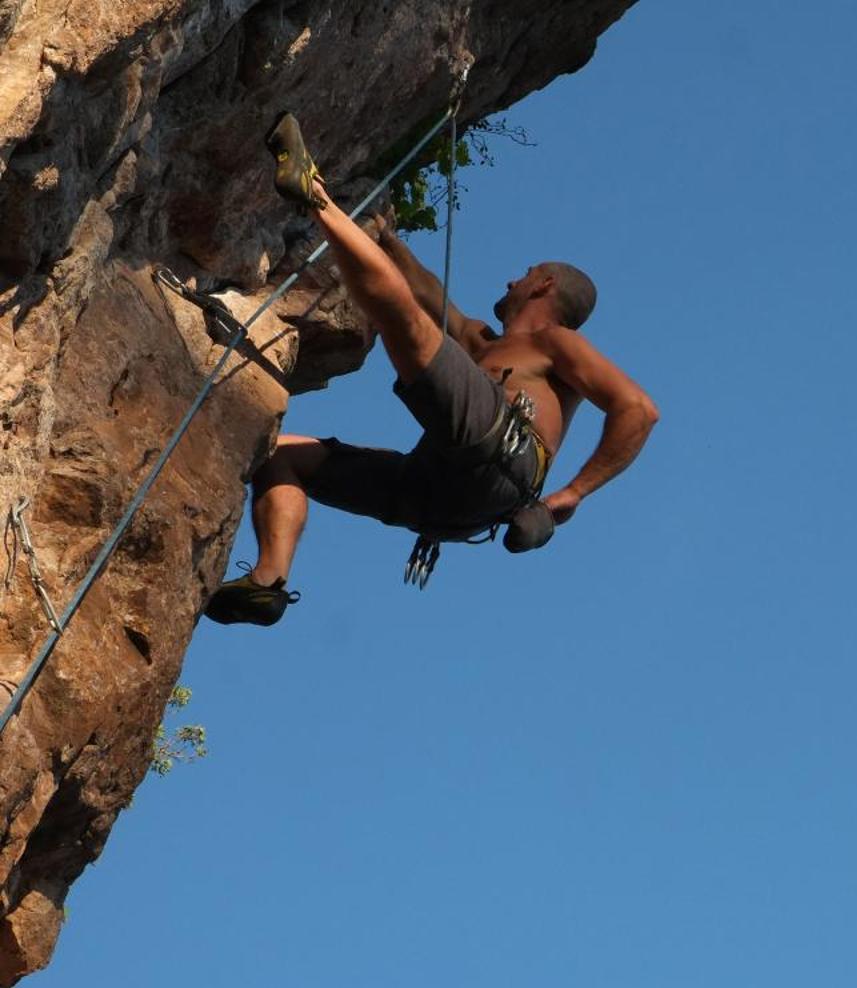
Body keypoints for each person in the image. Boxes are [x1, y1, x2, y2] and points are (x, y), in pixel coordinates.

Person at [204, 112, 661, 626]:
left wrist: (572, 494)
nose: (513, 279)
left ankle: (313, 195)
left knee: (406, 323)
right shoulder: (488, 344)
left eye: (525, 274)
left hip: (501, 451)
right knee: (276, 456)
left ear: (545, 286)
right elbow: (435, 299)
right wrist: (391, 244)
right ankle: (269, 583)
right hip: (441, 500)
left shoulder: (554, 342)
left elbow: (638, 409)